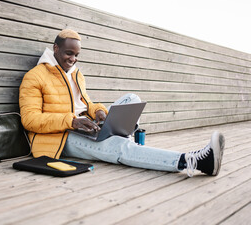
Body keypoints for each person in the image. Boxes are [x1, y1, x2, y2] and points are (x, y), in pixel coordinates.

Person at [19, 29, 225, 177]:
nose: (73, 59)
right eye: (68, 53)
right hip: (59, 138)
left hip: (85, 126)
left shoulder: (75, 74)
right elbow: (30, 120)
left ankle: (113, 132)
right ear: (55, 48)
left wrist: (99, 112)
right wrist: (72, 121)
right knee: (120, 147)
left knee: (131, 99)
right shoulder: (34, 77)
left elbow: (85, 103)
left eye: (76, 55)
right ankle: (195, 161)